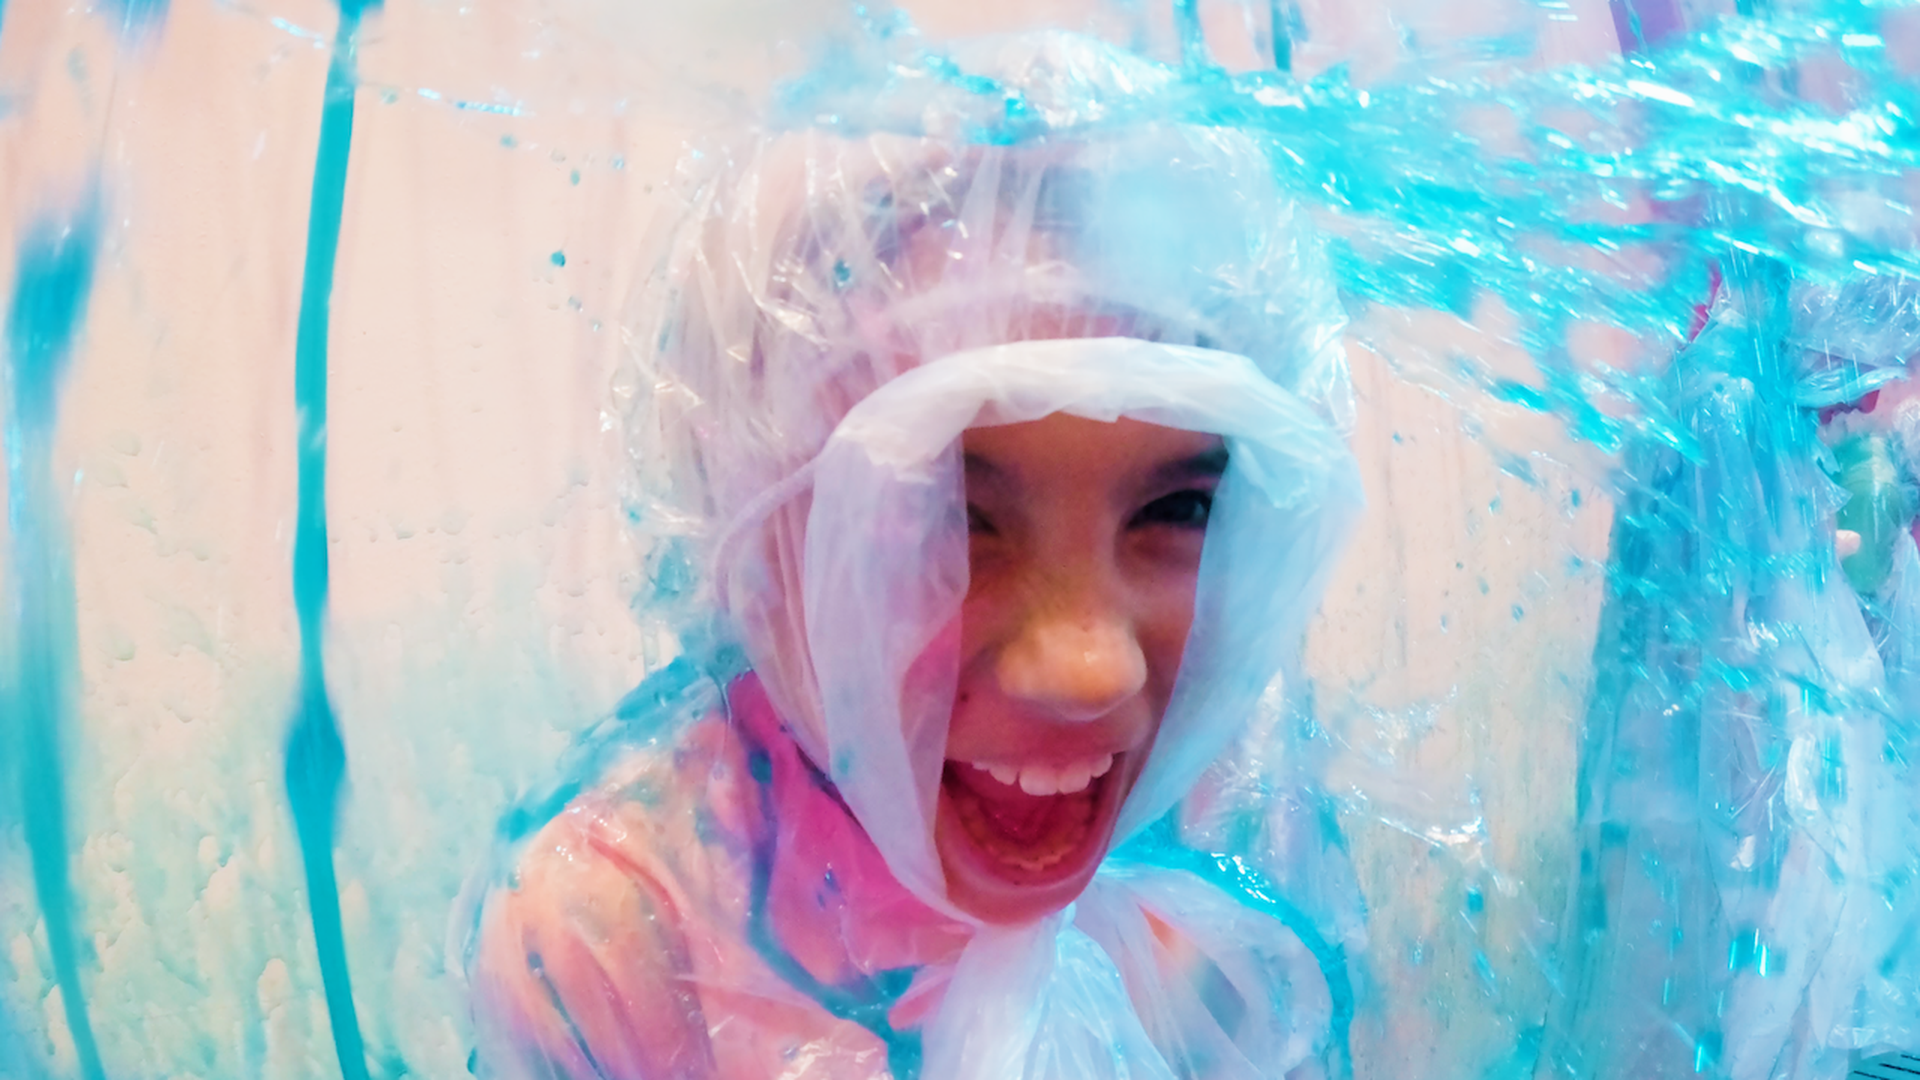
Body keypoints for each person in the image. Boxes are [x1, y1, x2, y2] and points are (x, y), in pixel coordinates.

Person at [460, 33, 1363, 1080]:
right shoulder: (621, 933)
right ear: (756, 533)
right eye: (953, 518)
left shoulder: (1229, 811)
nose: (1090, 668)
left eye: (1178, 509)